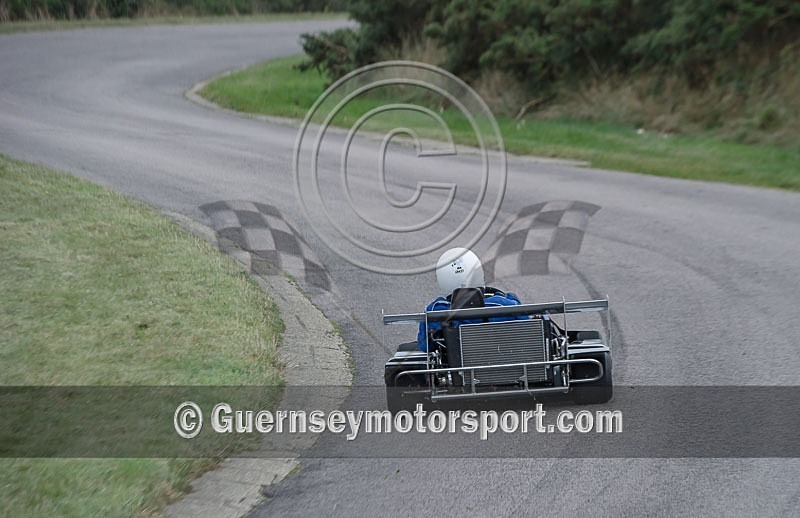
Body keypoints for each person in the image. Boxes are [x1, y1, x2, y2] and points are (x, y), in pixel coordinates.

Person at [416, 247, 525, 352]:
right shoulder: (504, 306)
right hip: (504, 366)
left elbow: (425, 345)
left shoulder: (438, 311)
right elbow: (529, 327)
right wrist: (508, 297)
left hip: (457, 369)